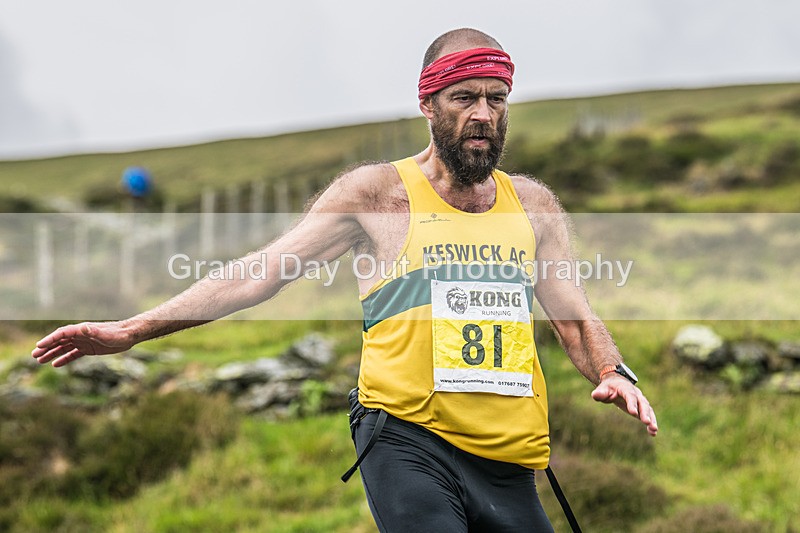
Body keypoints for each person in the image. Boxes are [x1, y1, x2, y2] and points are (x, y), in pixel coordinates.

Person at [32, 28, 657, 532]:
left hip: (510, 456)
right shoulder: (378, 194)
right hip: (409, 439)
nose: (483, 115)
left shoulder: (533, 205)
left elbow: (572, 313)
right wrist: (133, 329)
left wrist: (612, 372)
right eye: (464, 97)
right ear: (428, 105)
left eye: (496, 99)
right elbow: (263, 272)